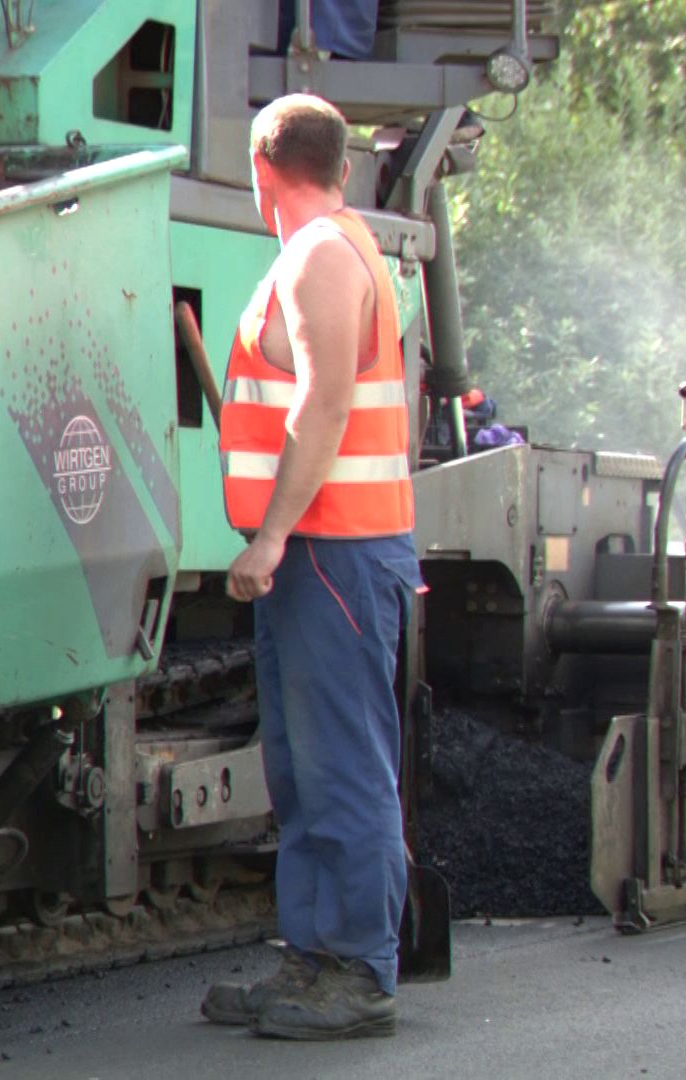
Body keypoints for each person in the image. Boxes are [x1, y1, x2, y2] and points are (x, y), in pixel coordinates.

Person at [200, 93, 421, 1040]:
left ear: (261, 168)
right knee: (303, 768)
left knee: (342, 765)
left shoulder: (321, 257)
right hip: (328, 552)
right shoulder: (339, 247)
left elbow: (323, 406)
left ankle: (361, 969)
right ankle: (315, 955)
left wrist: (272, 536)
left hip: (332, 547)